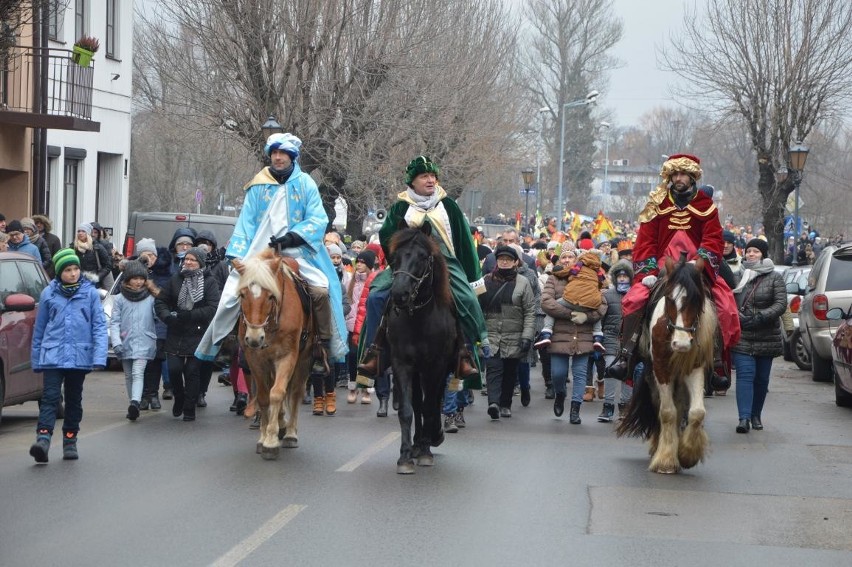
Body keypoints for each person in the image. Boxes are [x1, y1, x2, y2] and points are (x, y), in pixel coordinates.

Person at [195, 133, 348, 413]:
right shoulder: (257, 186)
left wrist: (293, 237)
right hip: (258, 254)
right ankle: (227, 347)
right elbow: (246, 223)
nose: (278, 157)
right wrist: (237, 255)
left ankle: (321, 346)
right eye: (274, 153)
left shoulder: (306, 184)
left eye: (284, 153)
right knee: (231, 297)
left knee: (322, 290)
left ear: (293, 157)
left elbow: (318, 219)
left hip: (297, 252)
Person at [356, 156, 488, 391]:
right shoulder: (400, 206)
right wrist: (401, 256)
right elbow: (387, 237)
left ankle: (465, 354)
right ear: (413, 181)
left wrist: (472, 276)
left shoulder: (448, 206)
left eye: (433, 176)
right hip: (407, 265)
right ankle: (374, 352)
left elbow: (464, 242)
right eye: (424, 176)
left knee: (466, 299)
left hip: (444, 263)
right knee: (376, 297)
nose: (430, 180)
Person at [605, 154, 740, 382]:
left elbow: (713, 240)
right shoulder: (657, 204)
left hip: (695, 267)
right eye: (674, 174)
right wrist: (647, 273)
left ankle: (716, 362)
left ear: (692, 177)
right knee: (633, 300)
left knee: (725, 306)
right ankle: (626, 355)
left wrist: (699, 263)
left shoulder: (706, 206)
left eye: (683, 174)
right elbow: (645, 242)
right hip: (661, 268)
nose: (678, 178)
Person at [29, 248, 108, 462]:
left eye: (75, 269)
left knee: (74, 399)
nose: (73, 273)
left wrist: (99, 356)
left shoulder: (90, 293)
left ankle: (70, 440)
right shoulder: (48, 294)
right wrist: (36, 359)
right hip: (53, 355)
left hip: (79, 356)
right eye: (67, 270)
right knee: (50, 398)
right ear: (58, 272)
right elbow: (40, 329)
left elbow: (99, 326)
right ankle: (43, 440)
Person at [541, 249, 607, 424]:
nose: (567, 260)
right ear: (559, 259)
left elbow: (601, 304)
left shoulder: (588, 275)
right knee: (558, 373)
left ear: (577, 260)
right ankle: (560, 394)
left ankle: (575, 410)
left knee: (580, 374)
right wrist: (570, 312)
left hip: (583, 334)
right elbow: (546, 302)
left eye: (571, 257)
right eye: (564, 257)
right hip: (559, 335)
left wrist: (587, 316)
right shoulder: (554, 278)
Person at [155, 247, 221, 421]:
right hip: (176, 331)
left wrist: (190, 315)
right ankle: (179, 397)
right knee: (174, 370)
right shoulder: (175, 279)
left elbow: (212, 308)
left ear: (200, 262)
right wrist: (167, 317)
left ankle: (189, 407)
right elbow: (161, 301)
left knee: (192, 371)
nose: (188, 262)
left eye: (192, 260)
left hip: (198, 332)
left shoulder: (209, 282)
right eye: (186, 259)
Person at [731, 238, 786, 433]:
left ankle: (756, 415)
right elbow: (728, 301)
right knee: (745, 375)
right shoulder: (738, 276)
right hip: (743, 335)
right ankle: (744, 418)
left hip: (766, 335)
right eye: (748, 251)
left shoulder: (775, 278)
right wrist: (739, 317)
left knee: (761, 379)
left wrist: (760, 317)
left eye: (755, 251)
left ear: (763, 254)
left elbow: (780, 304)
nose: (751, 254)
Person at [479, 246, 535, 420]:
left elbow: (530, 311)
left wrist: (527, 336)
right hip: (492, 334)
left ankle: (505, 404)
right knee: (493, 370)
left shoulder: (523, 282)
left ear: (515, 262)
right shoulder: (485, 280)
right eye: (501, 258)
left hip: (515, 335)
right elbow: (476, 307)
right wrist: (478, 334)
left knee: (510, 372)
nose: (504, 262)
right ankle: (493, 403)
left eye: (508, 259)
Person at [109, 260, 158, 421]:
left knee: (138, 372)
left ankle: (136, 402)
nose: (138, 282)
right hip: (125, 342)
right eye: (134, 278)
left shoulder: (150, 298)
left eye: (141, 278)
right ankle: (132, 404)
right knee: (129, 375)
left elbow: (158, 315)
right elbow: (114, 322)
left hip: (145, 340)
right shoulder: (119, 299)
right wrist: (116, 342)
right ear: (128, 279)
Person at [598, 259, 634, 422]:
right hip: (611, 338)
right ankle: (608, 406)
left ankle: (625, 406)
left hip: (630, 341)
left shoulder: (636, 295)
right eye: (619, 276)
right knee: (610, 370)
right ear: (614, 278)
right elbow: (601, 319)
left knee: (628, 373)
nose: (622, 279)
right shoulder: (607, 295)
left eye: (625, 276)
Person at [71, 222, 113, 291]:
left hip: (93, 285)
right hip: (76, 283)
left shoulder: (97, 247)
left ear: (88, 233)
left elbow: (108, 266)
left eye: (83, 231)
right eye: (79, 231)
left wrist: (97, 277)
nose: (80, 233)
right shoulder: (73, 248)